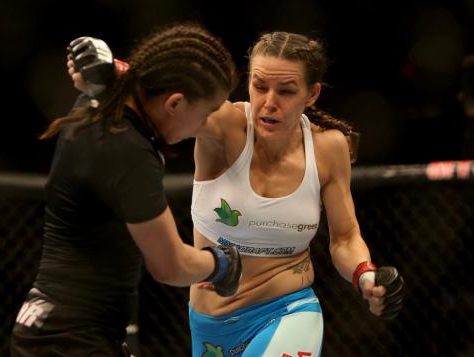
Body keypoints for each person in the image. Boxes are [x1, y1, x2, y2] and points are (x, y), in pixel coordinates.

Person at [69, 31, 405, 357]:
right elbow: (169, 100)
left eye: (286, 91)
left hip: (289, 312)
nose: (269, 103)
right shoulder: (225, 127)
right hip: (209, 325)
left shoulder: (328, 147)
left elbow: (345, 238)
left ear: (312, 94)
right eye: (260, 87)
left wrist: (365, 274)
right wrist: (112, 72)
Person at [10, 23, 242, 357]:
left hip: (56, 327)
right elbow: (171, 265)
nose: (202, 127)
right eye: (206, 112)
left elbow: (138, 78)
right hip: (70, 341)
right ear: (174, 103)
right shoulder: (128, 152)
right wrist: (221, 264)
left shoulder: (104, 103)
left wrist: (108, 67)